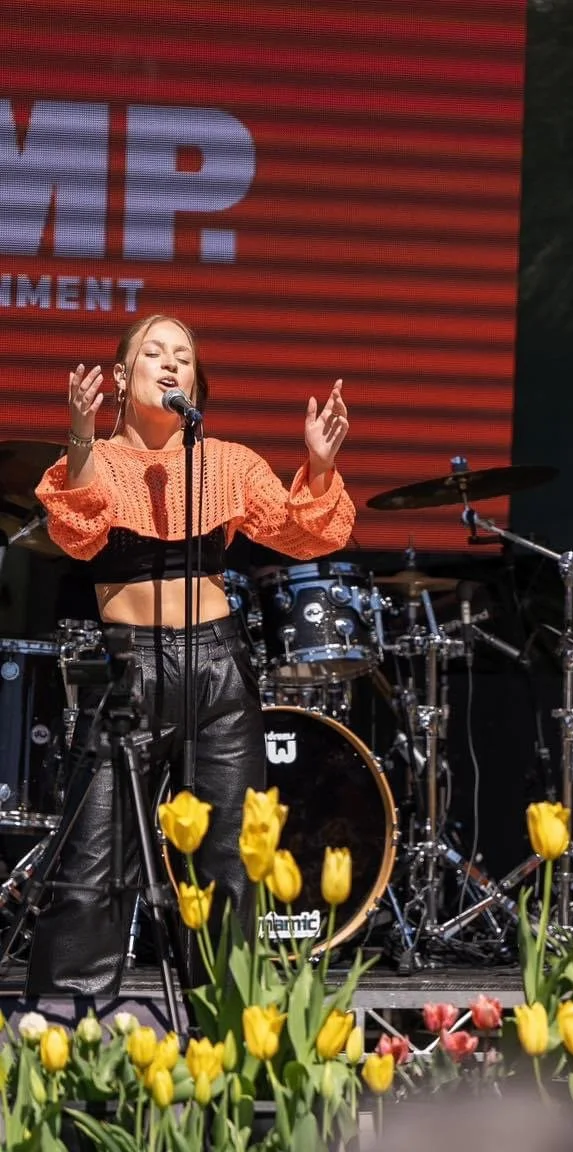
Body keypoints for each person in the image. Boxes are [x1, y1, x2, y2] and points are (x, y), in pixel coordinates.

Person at [27, 314, 355, 995]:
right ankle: (64, 1030)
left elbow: (301, 532)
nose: (170, 364)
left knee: (228, 864)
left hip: (218, 669)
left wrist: (320, 467)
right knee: (94, 863)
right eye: (154, 352)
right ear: (121, 377)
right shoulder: (97, 461)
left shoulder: (226, 461)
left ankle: (227, 1038)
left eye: (183, 355)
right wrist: (82, 438)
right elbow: (78, 531)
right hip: (129, 671)